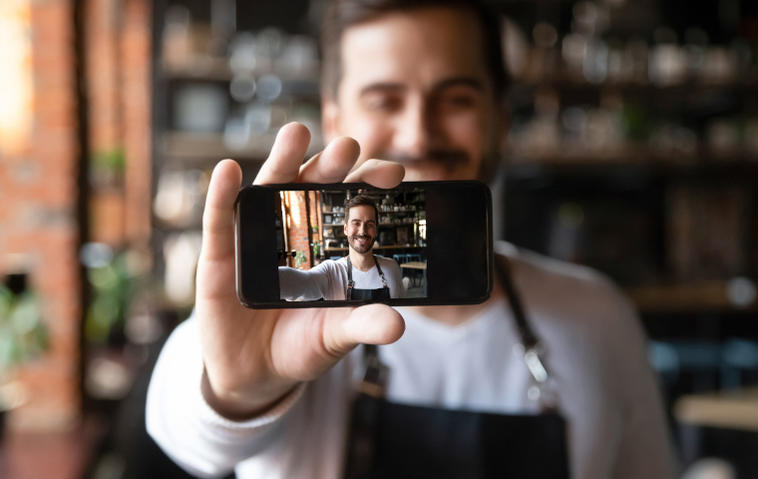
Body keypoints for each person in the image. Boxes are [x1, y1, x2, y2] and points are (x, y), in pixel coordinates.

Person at [146, 0, 676, 478]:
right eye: (384, 100)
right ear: (334, 117)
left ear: (500, 118)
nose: (420, 133)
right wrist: (237, 392)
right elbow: (185, 432)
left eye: (457, 99)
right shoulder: (284, 313)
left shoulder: (598, 315)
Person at [278, 194, 404, 301]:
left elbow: (402, 313)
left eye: (369, 224)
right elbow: (302, 283)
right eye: (356, 223)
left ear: (376, 230)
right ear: (345, 229)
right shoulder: (332, 271)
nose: (362, 231)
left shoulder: (392, 268)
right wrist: (265, 276)